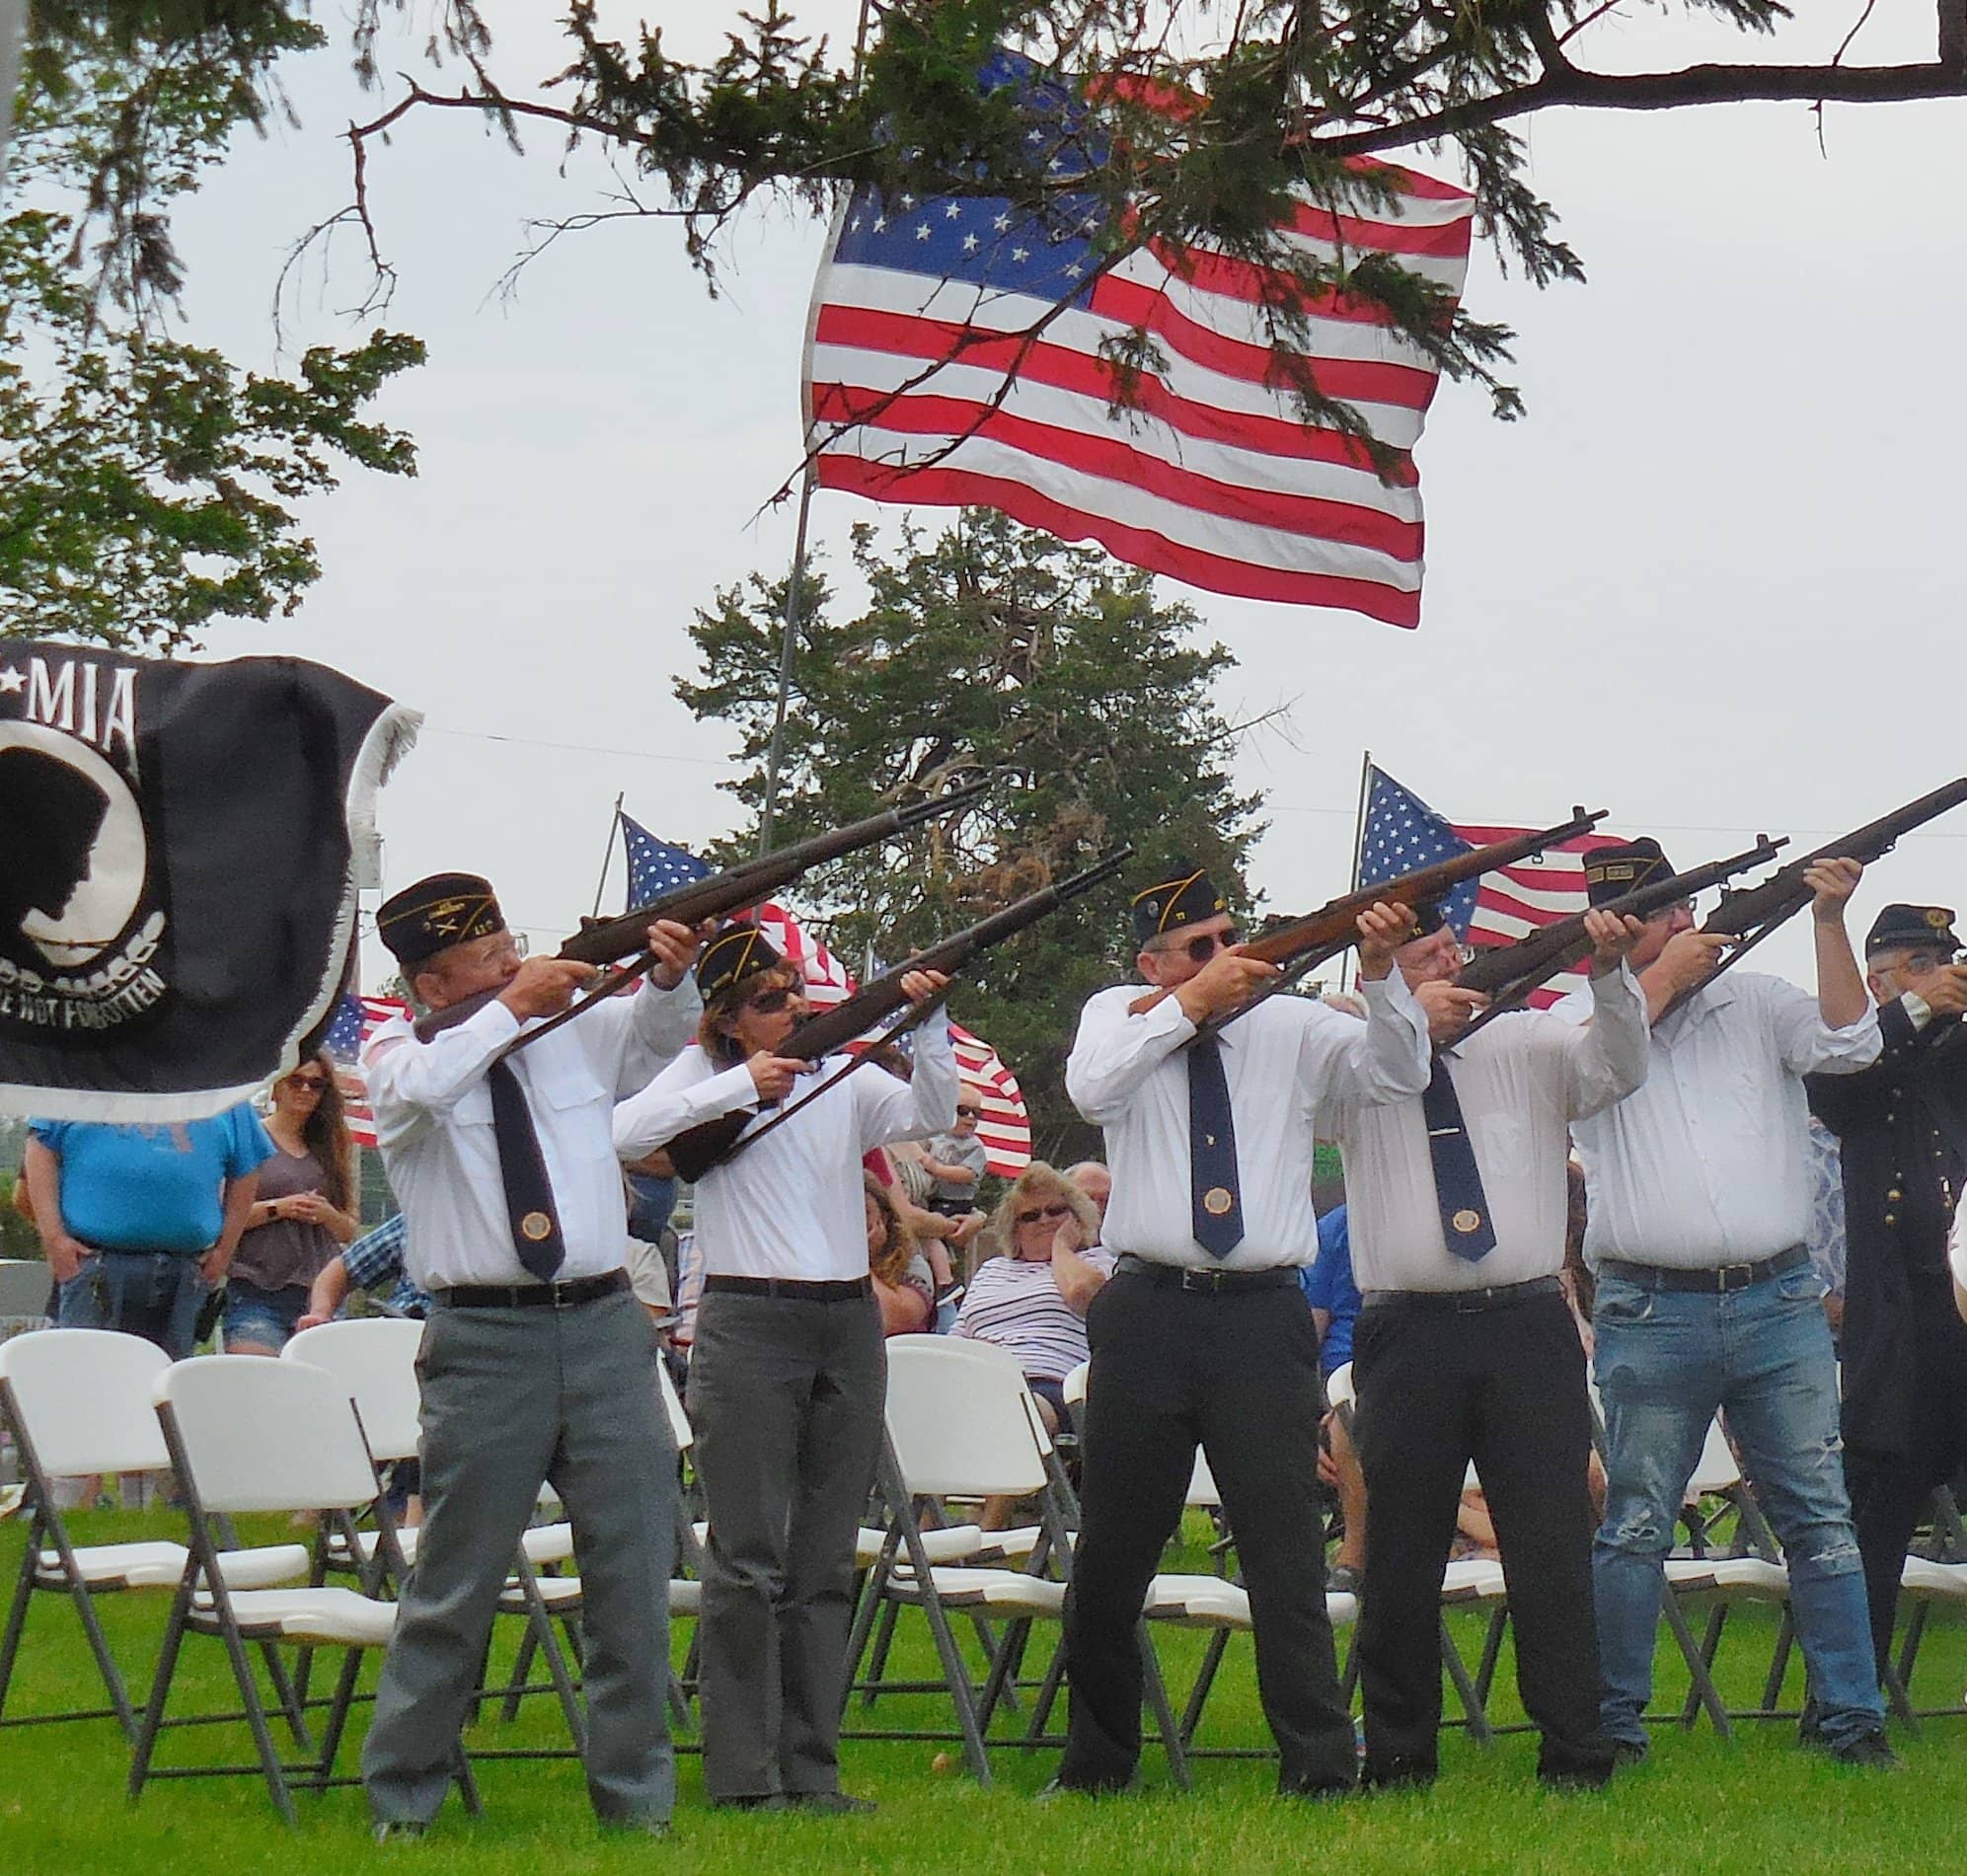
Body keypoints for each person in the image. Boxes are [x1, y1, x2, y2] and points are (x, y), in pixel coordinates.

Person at [1052, 863, 1430, 1798]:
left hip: (1261, 1308)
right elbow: (1091, 1091)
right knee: (1113, 1551)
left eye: (1230, 938)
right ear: (1153, 960)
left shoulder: (1293, 1021)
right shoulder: (1120, 1013)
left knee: (1282, 1550)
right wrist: (1186, 1007)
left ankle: (1314, 1761)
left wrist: (1380, 973)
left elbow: (1399, 1072)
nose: (1225, 958)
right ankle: (1098, 1764)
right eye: (1198, 947)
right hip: (1147, 1305)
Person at [357, 872, 704, 1840]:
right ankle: (403, 1798)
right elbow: (424, 1084)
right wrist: (512, 1004)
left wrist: (672, 976)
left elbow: (646, 1042)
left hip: (600, 1321)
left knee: (630, 1572)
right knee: (456, 1578)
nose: (514, 958)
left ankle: (637, 1805)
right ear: (433, 983)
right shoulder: (398, 1051)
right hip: (484, 1334)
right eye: (487, 953)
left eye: (510, 940)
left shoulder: (567, 1024)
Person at [1555, 839, 1896, 1768]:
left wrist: (1826, 919)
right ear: (1611, 935)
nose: (1673, 928)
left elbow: (1851, 1043)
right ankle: (1614, 1724)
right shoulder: (1576, 1017)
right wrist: (1652, 976)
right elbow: (1596, 1072)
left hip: (1777, 1295)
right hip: (1648, 1305)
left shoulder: (1757, 999)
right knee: (1633, 1525)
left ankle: (1852, 1717)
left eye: (1675, 912)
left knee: (1819, 1519)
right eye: (1649, 919)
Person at [612, 921, 956, 1815]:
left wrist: (927, 1024)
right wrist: (739, 1083)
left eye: (795, 991)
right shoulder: (707, 1077)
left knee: (822, 1559)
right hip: (749, 1315)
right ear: (728, 1018)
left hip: (844, 1314)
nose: (796, 1007)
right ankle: (741, 1773)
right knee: (747, 1559)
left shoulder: (839, 1071)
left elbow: (930, 1115)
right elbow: (623, 1130)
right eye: (770, 1000)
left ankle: (811, 1768)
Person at [1334, 901, 1648, 1791]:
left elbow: (1618, 1068)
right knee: (1398, 1548)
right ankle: (1398, 1753)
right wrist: (1391, 999)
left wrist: (1610, 975)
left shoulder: (1531, 1038)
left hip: (1521, 1318)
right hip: (1408, 1322)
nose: (1447, 962)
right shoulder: (1356, 1046)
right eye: (1419, 953)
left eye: (1450, 947)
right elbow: (1377, 1078)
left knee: (1549, 1542)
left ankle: (1575, 1750)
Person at [1806, 902, 1967, 1686]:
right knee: (1877, 1505)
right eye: (1896, 973)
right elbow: (1840, 1087)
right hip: (1900, 1318)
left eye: (1931, 966)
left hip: (1964, 1300)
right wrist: (1908, 1011)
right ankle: (1850, 1689)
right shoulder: (1859, 1052)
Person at [23, 1105, 272, 1360]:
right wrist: (54, 1238)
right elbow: (41, 1146)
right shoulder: (82, 1071)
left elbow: (247, 1167)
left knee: (165, 1385)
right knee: (86, 1378)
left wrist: (224, 1251)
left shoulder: (222, 1084)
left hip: (186, 1270)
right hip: (92, 1264)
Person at [953, 1163, 1113, 1436]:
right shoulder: (992, 1270)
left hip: (1046, 1385)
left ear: (1077, 1216)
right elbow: (956, 1337)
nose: (1044, 1220)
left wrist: (1060, 1247)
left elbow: (1083, 1295)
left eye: (1055, 1211)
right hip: (977, 1379)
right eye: (1029, 1215)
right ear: (1014, 1230)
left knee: (1015, 1411)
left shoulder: (1098, 1261)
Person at [224, 1056, 360, 1353]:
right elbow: (223, 1217)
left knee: (317, 1390)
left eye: (316, 1084)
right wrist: (279, 1208)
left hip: (320, 1295)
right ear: (276, 1087)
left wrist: (326, 1214)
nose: (305, 1090)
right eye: (296, 1081)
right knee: (256, 1383)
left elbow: (349, 1229)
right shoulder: (249, 1138)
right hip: (255, 1288)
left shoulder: (332, 1147)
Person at [865, 1175, 934, 1335]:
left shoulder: (912, 1266)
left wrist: (858, 1260)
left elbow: (896, 1321)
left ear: (884, 1217)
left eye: (865, 1213)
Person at [920, 1088, 990, 1217]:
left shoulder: (974, 1146)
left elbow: (967, 1174)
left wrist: (936, 1168)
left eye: (976, 1113)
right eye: (963, 1111)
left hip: (956, 1202)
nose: (970, 1117)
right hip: (930, 1196)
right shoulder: (935, 1137)